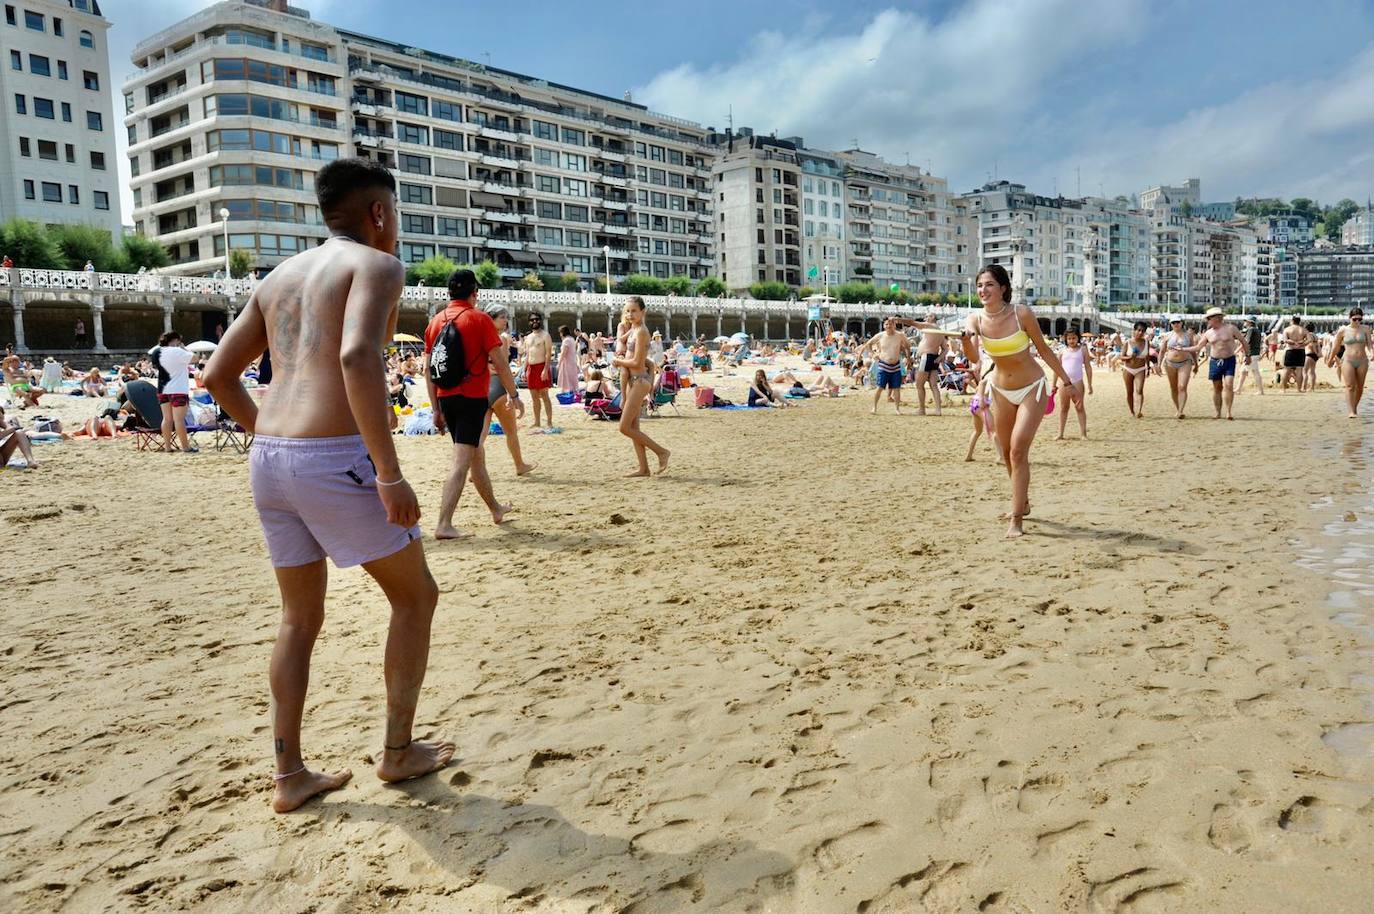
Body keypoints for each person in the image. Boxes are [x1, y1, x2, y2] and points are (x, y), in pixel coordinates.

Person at [202, 156, 452, 813]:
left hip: (271, 457)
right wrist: (389, 473)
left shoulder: (279, 278)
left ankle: (290, 777)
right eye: (393, 215)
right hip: (332, 454)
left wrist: (274, 439)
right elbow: (356, 356)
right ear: (378, 213)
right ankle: (398, 753)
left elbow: (219, 379)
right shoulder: (376, 265)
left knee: (298, 617)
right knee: (415, 597)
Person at [959, 264, 1072, 537]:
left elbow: (1044, 350)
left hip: (1032, 387)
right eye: (979, 286)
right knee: (1008, 452)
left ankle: (1017, 520)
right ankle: (1022, 501)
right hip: (1000, 390)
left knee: (1018, 450)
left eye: (989, 285)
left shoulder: (1021, 314)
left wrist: (1067, 382)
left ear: (1003, 288)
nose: (983, 290)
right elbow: (974, 359)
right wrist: (965, 342)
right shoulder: (974, 320)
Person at [425, 269, 522, 539]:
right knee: (462, 461)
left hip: (446, 398)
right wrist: (514, 395)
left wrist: (435, 408)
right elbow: (500, 363)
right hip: (470, 398)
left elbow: (428, 369)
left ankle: (495, 509)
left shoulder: (436, 321)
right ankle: (444, 524)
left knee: (475, 455)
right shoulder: (479, 319)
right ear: (474, 293)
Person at [610, 296, 669, 476]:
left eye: (634, 310)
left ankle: (661, 452)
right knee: (634, 429)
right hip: (632, 381)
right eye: (627, 311)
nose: (630, 314)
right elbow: (622, 340)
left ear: (643, 312)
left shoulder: (642, 331)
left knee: (624, 427)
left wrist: (618, 361)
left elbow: (636, 361)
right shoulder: (634, 329)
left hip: (638, 380)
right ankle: (643, 468)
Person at [482, 303, 534, 476]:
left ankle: (474, 471)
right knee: (511, 431)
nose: (505, 320)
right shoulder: (502, 338)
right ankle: (520, 465)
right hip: (497, 386)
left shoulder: (480, 337)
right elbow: (503, 365)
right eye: (502, 317)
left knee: (480, 436)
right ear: (492, 319)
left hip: (483, 386)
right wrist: (513, 393)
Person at [1196, 307, 1246, 420]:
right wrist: (1183, 349)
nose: (1208, 321)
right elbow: (1198, 346)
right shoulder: (1208, 333)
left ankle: (1228, 412)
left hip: (1229, 359)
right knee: (1217, 388)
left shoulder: (1231, 328)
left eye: (1209, 318)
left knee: (1229, 385)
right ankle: (1217, 412)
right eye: (1207, 319)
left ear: (1217, 318)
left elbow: (1243, 341)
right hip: (1215, 361)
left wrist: (1248, 356)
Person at [149, 331, 196, 452]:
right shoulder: (177, 351)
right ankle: (185, 447)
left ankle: (167, 447)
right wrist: (184, 348)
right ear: (175, 340)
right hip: (178, 389)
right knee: (179, 420)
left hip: (162, 388)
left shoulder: (156, 352)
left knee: (167, 419)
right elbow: (195, 358)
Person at [1328, 308, 1373, 418]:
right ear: (1350, 318)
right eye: (1355, 319)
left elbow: (1370, 345)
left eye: (1359, 319)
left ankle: (1354, 407)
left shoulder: (1366, 329)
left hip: (1362, 360)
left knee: (1360, 387)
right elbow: (1336, 347)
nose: (1357, 321)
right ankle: (1351, 411)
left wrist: (1372, 353)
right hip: (1348, 360)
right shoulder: (1343, 330)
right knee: (1350, 386)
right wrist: (1330, 359)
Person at [863, 317, 911, 414]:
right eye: (886, 324)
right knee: (880, 387)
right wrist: (873, 354)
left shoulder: (900, 335)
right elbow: (868, 344)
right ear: (884, 326)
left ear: (894, 325)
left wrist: (908, 358)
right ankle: (874, 407)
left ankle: (897, 409)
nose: (889, 326)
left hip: (896, 365)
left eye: (891, 324)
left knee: (897, 388)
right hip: (883, 365)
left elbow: (907, 346)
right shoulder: (880, 335)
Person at [1055, 328, 1092, 439]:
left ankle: (1083, 434)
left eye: (1074, 338)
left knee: (1079, 407)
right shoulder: (1062, 351)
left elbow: (1088, 367)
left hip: (1078, 381)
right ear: (1066, 339)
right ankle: (1060, 434)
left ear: (1078, 338)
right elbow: (1057, 368)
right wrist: (1053, 384)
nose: (1072, 340)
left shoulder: (1083, 350)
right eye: (1069, 338)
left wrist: (1090, 384)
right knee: (1063, 408)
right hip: (1063, 382)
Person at [1159, 316, 1198, 419]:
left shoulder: (1188, 335)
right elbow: (1162, 351)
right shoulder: (1167, 335)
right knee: (1173, 387)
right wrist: (1158, 365)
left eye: (1177, 322)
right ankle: (1177, 408)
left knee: (1182, 386)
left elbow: (1193, 351)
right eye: (1173, 323)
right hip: (1170, 363)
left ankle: (1181, 410)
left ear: (1182, 323)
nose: (1176, 324)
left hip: (1185, 362)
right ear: (1171, 324)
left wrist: (1196, 364)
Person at [521, 315, 555, 428]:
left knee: (545, 396)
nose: (534, 321)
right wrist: (524, 370)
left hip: (541, 367)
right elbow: (527, 355)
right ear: (529, 322)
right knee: (534, 397)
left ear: (540, 321)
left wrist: (545, 369)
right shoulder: (528, 337)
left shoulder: (545, 335)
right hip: (531, 367)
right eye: (532, 320)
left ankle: (549, 422)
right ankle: (537, 422)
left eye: (536, 319)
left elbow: (548, 354)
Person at [912, 314, 948, 415]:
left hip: (926, 357)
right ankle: (938, 410)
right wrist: (939, 358)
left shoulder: (930, 326)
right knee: (933, 385)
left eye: (927, 316)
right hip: (934, 357)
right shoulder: (939, 331)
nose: (925, 318)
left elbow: (913, 323)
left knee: (919, 384)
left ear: (932, 318)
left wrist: (899, 320)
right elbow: (946, 348)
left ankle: (922, 409)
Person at [1120, 322, 1152, 418]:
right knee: (1129, 392)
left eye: (1143, 331)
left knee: (1139, 390)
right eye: (1138, 330)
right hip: (1128, 369)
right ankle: (1132, 411)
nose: (1140, 332)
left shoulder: (1146, 342)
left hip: (1141, 369)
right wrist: (1130, 357)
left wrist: (1148, 367)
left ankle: (1139, 411)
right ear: (1134, 331)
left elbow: (1147, 356)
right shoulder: (1128, 342)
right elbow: (1121, 357)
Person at [1235, 317, 1266, 395]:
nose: (1244, 322)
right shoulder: (1257, 331)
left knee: (1247, 371)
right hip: (1255, 353)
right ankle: (1239, 389)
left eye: (1246, 321)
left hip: (1251, 354)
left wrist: (1236, 351)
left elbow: (1246, 343)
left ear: (1250, 322)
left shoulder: (1251, 330)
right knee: (1250, 371)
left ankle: (1259, 391)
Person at [1280, 315, 1309, 392]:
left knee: (1286, 370)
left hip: (1290, 350)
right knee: (1299, 370)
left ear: (1292, 321)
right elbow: (1309, 340)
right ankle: (1299, 389)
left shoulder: (1287, 329)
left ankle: (1283, 389)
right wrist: (1301, 344)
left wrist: (1293, 343)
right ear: (1299, 321)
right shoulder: (1303, 330)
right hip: (1301, 350)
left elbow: (1285, 340)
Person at [556, 324, 580, 397]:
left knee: (567, 378)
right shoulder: (572, 339)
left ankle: (568, 393)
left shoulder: (566, 340)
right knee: (572, 378)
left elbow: (563, 353)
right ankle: (573, 392)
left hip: (567, 362)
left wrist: (559, 363)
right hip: (572, 360)